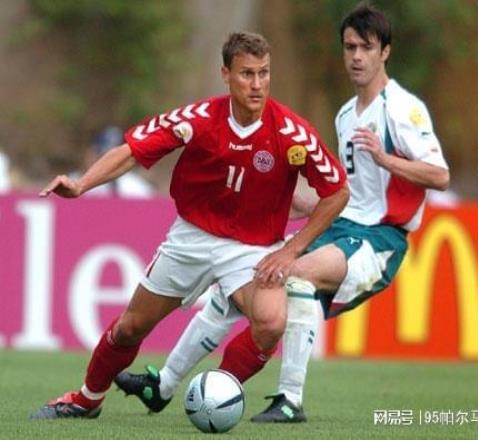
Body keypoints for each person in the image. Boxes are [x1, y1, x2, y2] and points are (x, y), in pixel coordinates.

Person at [114, 3, 450, 424]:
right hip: (343, 228)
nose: (357, 57)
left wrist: (386, 159)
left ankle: (288, 399)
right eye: (350, 47)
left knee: (290, 275)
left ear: (385, 52)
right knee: (243, 283)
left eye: (367, 48)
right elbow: (348, 193)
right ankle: (163, 386)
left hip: (379, 238)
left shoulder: (402, 109)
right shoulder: (347, 114)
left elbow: (439, 175)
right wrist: (290, 204)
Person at [30, 31, 349, 420]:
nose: (257, 84)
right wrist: (81, 185)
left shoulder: (292, 133)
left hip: (253, 248)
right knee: (130, 328)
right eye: (247, 73)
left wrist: (290, 251)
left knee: (270, 323)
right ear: (226, 74)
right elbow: (132, 152)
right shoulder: (198, 120)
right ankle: (86, 399)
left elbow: (337, 192)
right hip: (192, 238)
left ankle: (215, 394)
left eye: (264, 73)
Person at [71, 126, 156, 198]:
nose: (110, 162)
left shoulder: (135, 187)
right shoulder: (75, 182)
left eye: (115, 156)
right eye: (102, 155)